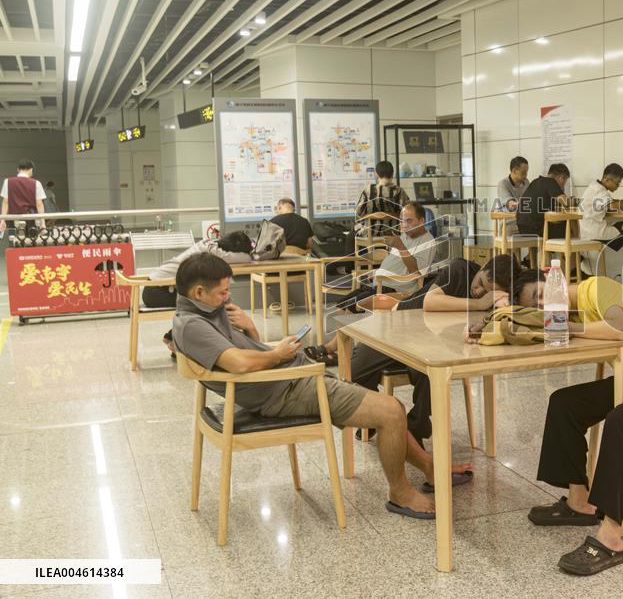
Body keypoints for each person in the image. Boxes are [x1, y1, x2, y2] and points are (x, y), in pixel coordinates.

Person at [171, 252, 465, 519]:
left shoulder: (206, 312)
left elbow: (247, 352)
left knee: (391, 409)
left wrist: (250, 328)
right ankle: (400, 493)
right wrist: (278, 354)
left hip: (292, 379)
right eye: (222, 292)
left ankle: (427, 466)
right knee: (391, 412)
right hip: (283, 391)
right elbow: (240, 364)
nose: (226, 298)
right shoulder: (192, 325)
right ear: (198, 292)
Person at [492, 271, 623, 576]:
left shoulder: (597, 287)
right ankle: (580, 503)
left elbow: (619, 331)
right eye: (539, 306)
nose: (546, 304)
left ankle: (611, 537)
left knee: (620, 422)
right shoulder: (579, 310)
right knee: (564, 403)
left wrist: (563, 326)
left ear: (553, 280)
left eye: (541, 293)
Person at [306, 255, 521, 447]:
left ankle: (415, 427)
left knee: (432, 368)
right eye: (480, 283)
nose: (479, 291)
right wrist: (481, 304)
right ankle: (377, 417)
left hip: (431, 342)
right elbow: (431, 301)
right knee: (354, 372)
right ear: (482, 267)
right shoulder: (460, 269)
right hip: (398, 325)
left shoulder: (498, 297)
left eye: (488, 292)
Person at [143, 230, 254, 355]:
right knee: (211, 302)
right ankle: (187, 342)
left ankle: (176, 337)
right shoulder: (212, 251)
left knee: (212, 299)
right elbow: (245, 258)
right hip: (157, 291)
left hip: (160, 288)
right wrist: (251, 255)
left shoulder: (211, 244)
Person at [330, 202, 438, 312]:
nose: (404, 225)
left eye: (409, 221)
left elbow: (416, 271)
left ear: (421, 221)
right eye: (402, 221)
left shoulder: (427, 241)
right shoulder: (405, 236)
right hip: (378, 284)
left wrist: (400, 246)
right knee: (339, 306)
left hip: (393, 289)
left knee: (348, 308)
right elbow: (395, 263)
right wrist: (377, 272)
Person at [516, 163, 570, 239]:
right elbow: (565, 201)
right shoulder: (551, 182)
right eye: (565, 181)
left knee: (557, 225)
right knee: (568, 227)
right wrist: (575, 202)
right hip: (535, 229)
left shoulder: (535, 181)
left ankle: (549, 251)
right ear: (561, 178)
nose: (564, 184)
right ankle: (574, 249)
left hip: (523, 228)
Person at [355, 160, 409, 237]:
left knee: (351, 236)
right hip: (394, 233)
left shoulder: (368, 190)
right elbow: (408, 214)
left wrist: (371, 216)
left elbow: (358, 213)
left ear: (377, 174)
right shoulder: (399, 191)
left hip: (370, 234)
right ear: (392, 174)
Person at [0, 159, 46, 235]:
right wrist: (42, 223)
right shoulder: (36, 183)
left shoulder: (7, 182)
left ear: (18, 169)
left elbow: (5, 202)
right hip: (30, 221)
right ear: (31, 169)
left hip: (13, 220)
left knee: (13, 242)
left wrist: (3, 220)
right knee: (30, 243)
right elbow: (39, 204)